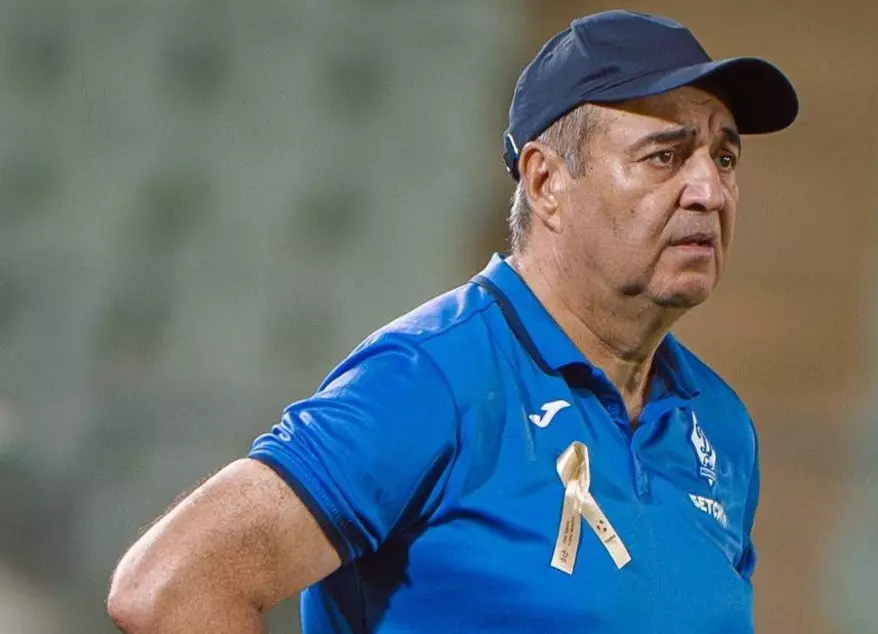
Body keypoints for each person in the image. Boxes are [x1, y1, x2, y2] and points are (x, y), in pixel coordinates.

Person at [107, 9, 798, 634]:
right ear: (546, 183)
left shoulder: (720, 425)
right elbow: (171, 586)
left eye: (724, 157)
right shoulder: (431, 376)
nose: (710, 191)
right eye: (665, 156)